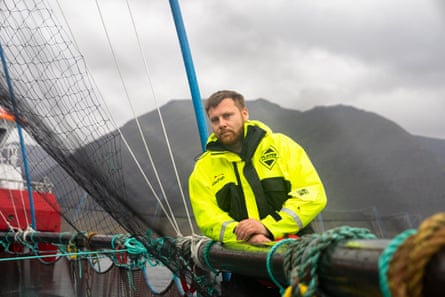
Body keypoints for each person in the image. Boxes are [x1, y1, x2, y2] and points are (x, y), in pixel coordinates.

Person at [188, 90, 327, 296]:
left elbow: (312, 194)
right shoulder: (203, 169)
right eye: (215, 119)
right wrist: (246, 234)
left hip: (297, 256)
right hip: (245, 265)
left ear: (244, 114)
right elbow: (208, 217)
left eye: (228, 116)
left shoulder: (282, 146)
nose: (222, 124)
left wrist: (268, 228)